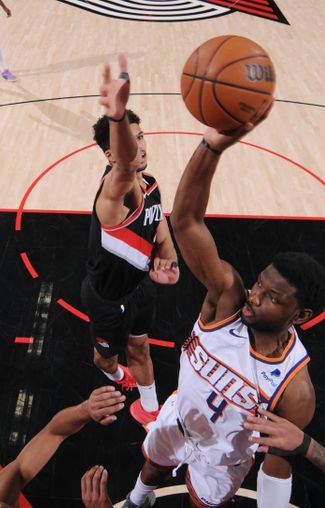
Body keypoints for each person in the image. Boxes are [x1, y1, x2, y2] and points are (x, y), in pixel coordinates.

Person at [114, 109, 325, 508]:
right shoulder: (228, 299)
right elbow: (186, 221)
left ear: (300, 315)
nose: (254, 296)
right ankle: (137, 502)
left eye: (272, 298)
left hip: (223, 456)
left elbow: (276, 468)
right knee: (153, 466)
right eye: (258, 284)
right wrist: (212, 146)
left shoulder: (294, 388)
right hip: (180, 417)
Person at [83, 54, 180, 425]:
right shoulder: (114, 194)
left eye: (141, 136)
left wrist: (168, 259)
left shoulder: (150, 184)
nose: (140, 145)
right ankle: (114, 374)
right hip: (106, 299)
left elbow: (160, 227)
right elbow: (125, 164)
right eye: (130, 140)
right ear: (110, 155)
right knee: (104, 358)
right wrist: (118, 117)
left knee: (141, 347)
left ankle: (150, 410)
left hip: (139, 289)